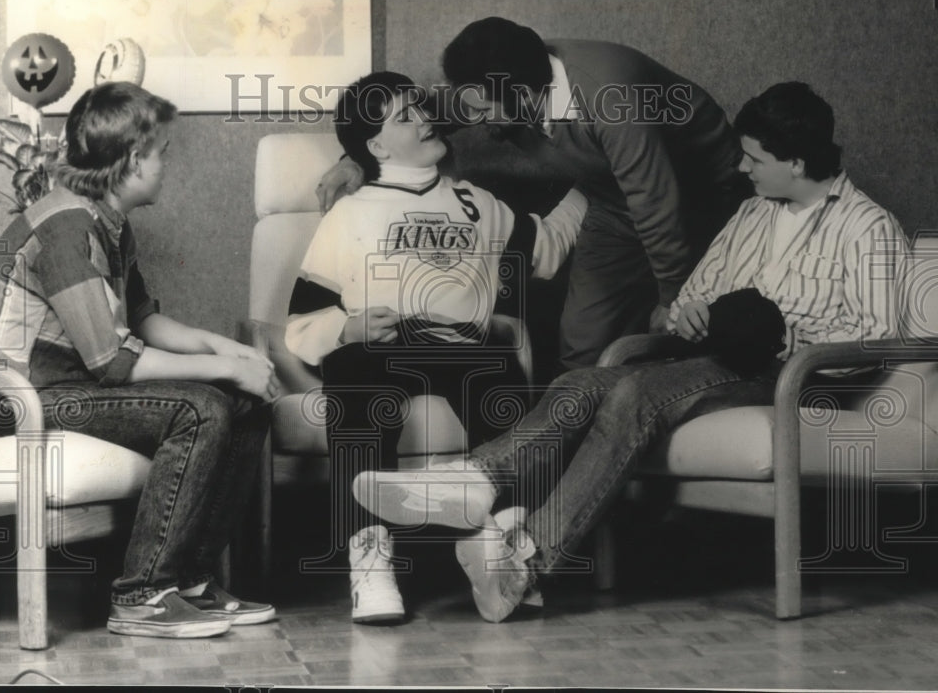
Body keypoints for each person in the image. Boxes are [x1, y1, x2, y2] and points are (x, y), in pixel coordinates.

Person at [351, 82, 909, 622]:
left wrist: (784, 337)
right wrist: (686, 314)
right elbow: (692, 295)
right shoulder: (754, 213)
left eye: (753, 159)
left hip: (791, 377)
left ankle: (528, 559)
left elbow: (876, 336)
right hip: (718, 362)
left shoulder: (868, 227)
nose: (741, 169)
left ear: (795, 161)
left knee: (635, 392)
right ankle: (475, 479)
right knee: (579, 384)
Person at [285, 71, 587, 624]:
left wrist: (594, 188)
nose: (425, 118)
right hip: (378, 345)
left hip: (459, 345)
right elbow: (301, 322)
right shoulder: (350, 211)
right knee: (353, 372)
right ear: (376, 146)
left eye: (419, 107)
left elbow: (547, 250)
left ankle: (503, 549)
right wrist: (348, 329)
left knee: (501, 375)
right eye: (404, 117)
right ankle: (371, 558)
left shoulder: (479, 202)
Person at [0, 82, 280, 638]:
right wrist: (222, 369)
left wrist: (226, 349)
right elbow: (113, 361)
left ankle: (190, 581)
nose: (167, 164)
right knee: (199, 410)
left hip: (76, 388)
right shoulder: (66, 225)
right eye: (161, 152)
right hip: (22, 398)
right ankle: (141, 595)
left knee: (246, 402)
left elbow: (143, 320)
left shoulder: (109, 221)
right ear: (131, 159)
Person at [317, 17, 753, 372]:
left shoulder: (610, 95)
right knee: (583, 341)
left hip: (699, 199)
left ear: (524, 96)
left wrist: (670, 299)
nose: (478, 122)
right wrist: (354, 158)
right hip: (614, 200)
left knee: (691, 329)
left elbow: (657, 204)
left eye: (485, 111)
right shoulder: (505, 80)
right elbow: (413, 121)